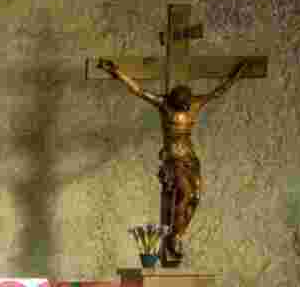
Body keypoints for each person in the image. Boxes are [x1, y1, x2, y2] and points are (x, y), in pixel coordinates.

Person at [95, 56, 255, 264]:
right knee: (183, 192)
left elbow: (219, 91)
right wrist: (116, 73)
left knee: (195, 195)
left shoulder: (196, 103)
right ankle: (174, 237)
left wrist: (238, 74)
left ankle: (177, 233)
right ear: (174, 101)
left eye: (186, 106)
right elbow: (139, 91)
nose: (184, 109)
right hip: (172, 159)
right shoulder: (164, 105)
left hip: (190, 157)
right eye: (181, 106)